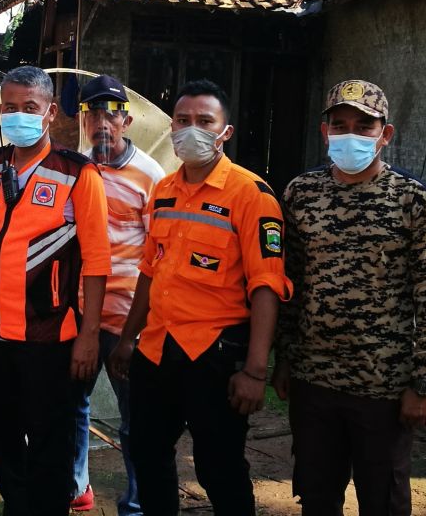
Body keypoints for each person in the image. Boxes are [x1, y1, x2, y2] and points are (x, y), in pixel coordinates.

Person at [108, 78, 293, 516]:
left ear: (224, 132)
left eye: (204, 121)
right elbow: (150, 272)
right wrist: (127, 338)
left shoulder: (251, 195)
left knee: (219, 467)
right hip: (157, 349)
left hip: (213, 354)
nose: (192, 129)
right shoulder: (165, 190)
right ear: (171, 127)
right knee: (148, 453)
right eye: (183, 120)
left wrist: (254, 370)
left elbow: (267, 286)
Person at [274, 80, 426, 516]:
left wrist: (424, 380)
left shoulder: (415, 202)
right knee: (317, 496)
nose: (350, 133)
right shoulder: (301, 194)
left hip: (384, 386)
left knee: (384, 500)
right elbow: (288, 283)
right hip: (314, 380)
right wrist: (284, 359)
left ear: (385, 134)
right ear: (325, 131)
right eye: (340, 124)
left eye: (364, 125)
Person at [0, 65, 111, 516]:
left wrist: (88, 336)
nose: (18, 115)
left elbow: (97, 262)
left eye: (30, 107)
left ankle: (41, 507)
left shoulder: (76, 173)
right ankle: (23, 506)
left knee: (50, 440)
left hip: (50, 335)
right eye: (10, 107)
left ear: (48, 113)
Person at [69, 75, 164, 515]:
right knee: (73, 407)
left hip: (129, 320)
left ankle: (137, 503)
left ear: (126, 120)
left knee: (136, 422)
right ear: (82, 121)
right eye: (93, 115)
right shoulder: (77, 169)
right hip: (80, 314)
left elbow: (158, 257)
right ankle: (76, 487)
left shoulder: (151, 177)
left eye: (112, 115)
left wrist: (136, 331)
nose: (102, 124)